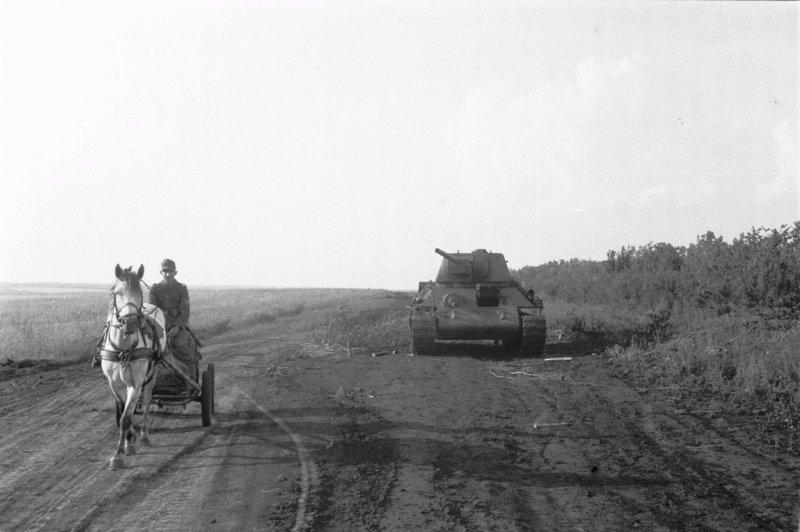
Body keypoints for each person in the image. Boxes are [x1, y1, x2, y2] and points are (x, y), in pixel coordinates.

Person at [148, 259, 197, 370]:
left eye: (170, 271)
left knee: (181, 345)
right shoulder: (154, 289)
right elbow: (153, 311)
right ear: (161, 272)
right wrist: (159, 328)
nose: (168, 274)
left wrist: (178, 326)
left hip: (177, 326)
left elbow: (185, 311)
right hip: (159, 326)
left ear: (175, 272)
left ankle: (190, 376)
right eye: (165, 271)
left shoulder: (182, 289)